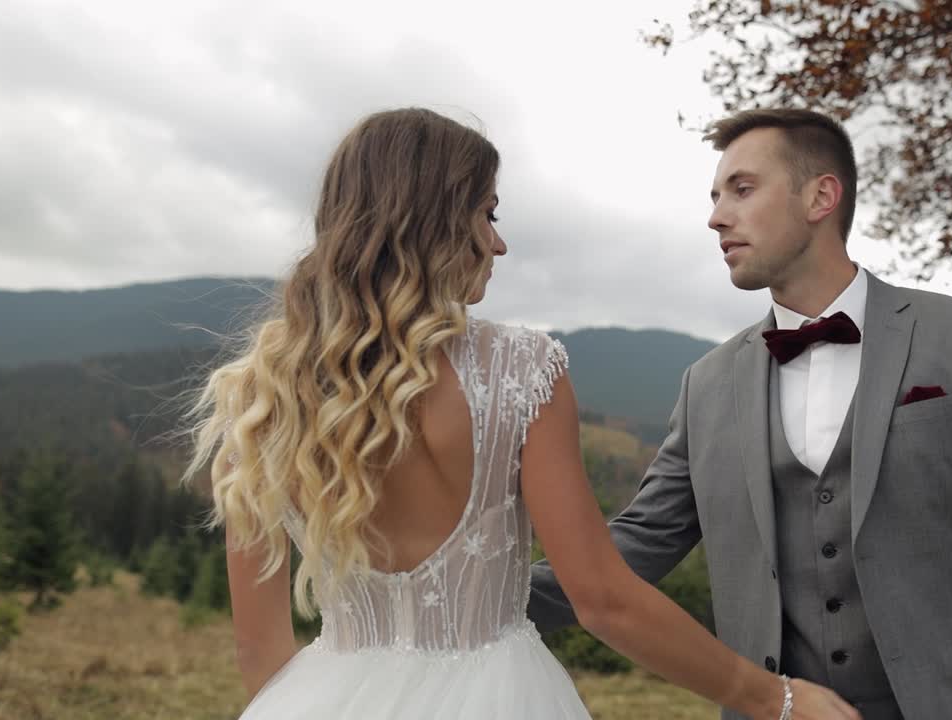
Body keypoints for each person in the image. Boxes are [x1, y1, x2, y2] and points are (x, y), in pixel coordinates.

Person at [182, 108, 805, 720]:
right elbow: (604, 600)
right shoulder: (523, 370)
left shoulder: (262, 401)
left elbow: (258, 648)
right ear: (436, 220)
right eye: (488, 213)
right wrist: (773, 698)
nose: (498, 242)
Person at [529, 108, 952, 719]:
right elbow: (639, 542)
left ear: (821, 197)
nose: (716, 217)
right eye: (714, 196)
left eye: (743, 189)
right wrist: (473, 594)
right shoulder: (706, 385)